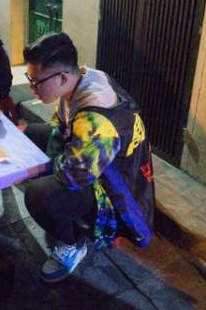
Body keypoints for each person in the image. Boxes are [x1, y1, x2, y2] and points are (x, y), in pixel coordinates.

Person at [22, 32, 155, 282]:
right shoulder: (84, 76)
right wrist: (51, 156)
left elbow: (75, 176)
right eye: (30, 79)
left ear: (62, 77)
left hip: (111, 187)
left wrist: (38, 168)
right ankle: (60, 209)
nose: (32, 87)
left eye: (36, 81)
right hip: (91, 158)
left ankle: (72, 244)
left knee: (38, 194)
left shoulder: (96, 120)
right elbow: (60, 125)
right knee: (28, 134)